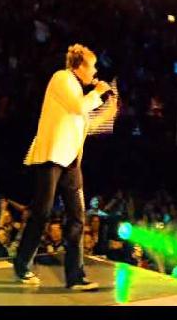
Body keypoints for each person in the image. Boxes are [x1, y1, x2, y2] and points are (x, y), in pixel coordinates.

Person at [13, 44, 116, 290]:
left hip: (71, 162)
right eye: (92, 66)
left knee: (77, 217)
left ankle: (75, 276)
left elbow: (83, 123)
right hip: (52, 157)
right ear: (79, 66)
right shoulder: (61, 78)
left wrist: (107, 110)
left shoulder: (78, 91)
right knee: (42, 213)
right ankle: (22, 263)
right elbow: (78, 107)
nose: (95, 71)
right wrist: (98, 92)